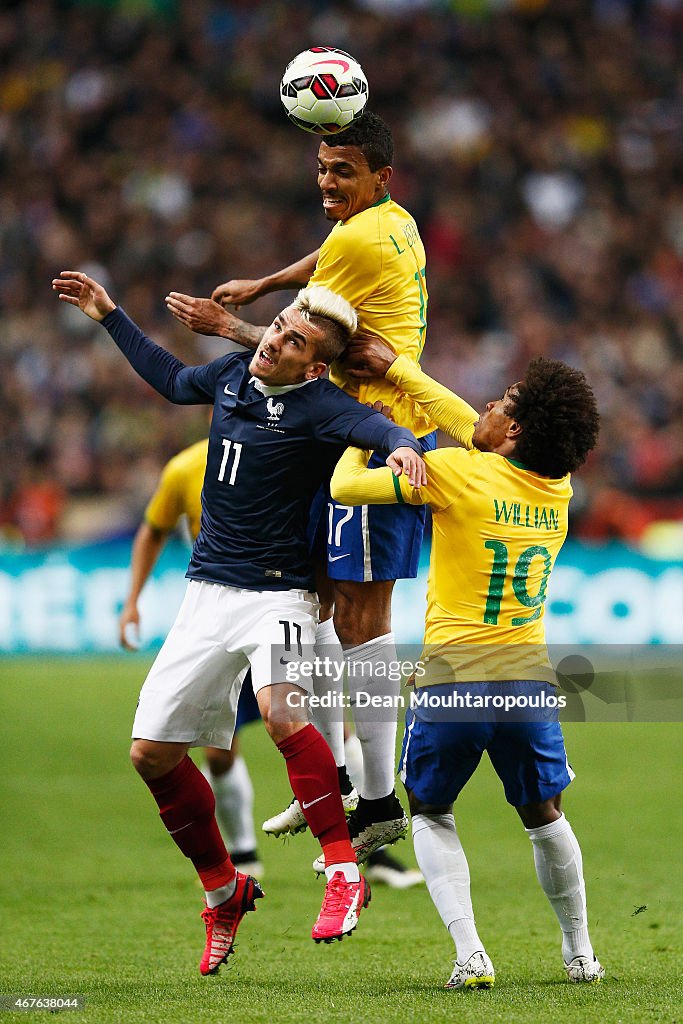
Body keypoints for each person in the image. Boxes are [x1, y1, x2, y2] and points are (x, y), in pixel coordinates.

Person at [52, 269, 426, 976]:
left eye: (293, 342)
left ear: (314, 365)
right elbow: (170, 379)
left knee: (284, 715)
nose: (274, 342)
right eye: (279, 327)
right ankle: (225, 889)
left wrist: (402, 445)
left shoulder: (321, 406)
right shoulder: (231, 375)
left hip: (277, 596)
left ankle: (344, 871)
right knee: (150, 755)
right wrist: (110, 316)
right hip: (205, 597)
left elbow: (377, 425)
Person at [165, 111, 435, 865]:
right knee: (314, 593)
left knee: (361, 616)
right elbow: (324, 269)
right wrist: (267, 281)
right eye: (320, 169)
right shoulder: (392, 221)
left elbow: (298, 354)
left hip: (372, 433)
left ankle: (377, 799)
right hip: (355, 432)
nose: (325, 182)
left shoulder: (356, 238)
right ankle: (344, 776)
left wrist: (230, 324)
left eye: (341, 171)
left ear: (380, 176)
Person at [329, 336, 603, 989]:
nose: (483, 403)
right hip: (529, 680)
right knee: (544, 815)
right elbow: (471, 428)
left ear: (512, 430)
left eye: (501, 402)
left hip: (454, 675)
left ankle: (470, 954)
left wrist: (362, 418)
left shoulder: (455, 474)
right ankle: (580, 954)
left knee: (428, 810)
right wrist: (401, 373)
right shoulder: (557, 489)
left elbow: (344, 485)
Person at [119, 436, 263, 877]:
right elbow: (153, 529)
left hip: (283, 607)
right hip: (222, 618)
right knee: (219, 750)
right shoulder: (185, 468)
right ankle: (243, 851)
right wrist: (132, 601)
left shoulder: (285, 443)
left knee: (331, 728)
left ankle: (365, 852)